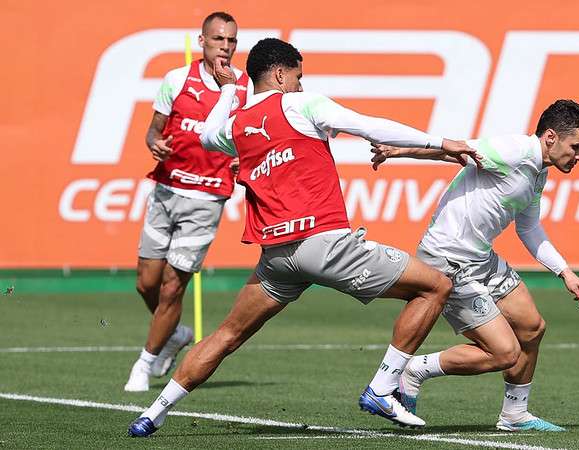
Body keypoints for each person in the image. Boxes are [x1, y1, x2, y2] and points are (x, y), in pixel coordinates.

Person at [127, 37, 480, 437]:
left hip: (277, 258)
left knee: (227, 335)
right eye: (297, 76)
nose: (300, 83)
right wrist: (441, 142)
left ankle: (153, 412)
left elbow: (207, 136)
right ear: (280, 73)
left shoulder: (237, 125)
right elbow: (367, 125)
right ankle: (383, 387)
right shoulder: (301, 103)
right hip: (324, 243)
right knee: (436, 286)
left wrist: (227, 90)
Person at [368, 99, 579, 432]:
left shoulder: (538, 172)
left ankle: (515, 416)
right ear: (549, 137)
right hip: (448, 260)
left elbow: (528, 227)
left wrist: (565, 272)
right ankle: (414, 370)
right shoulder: (515, 149)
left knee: (532, 328)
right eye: (576, 146)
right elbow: (455, 151)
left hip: (480, 259)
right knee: (505, 353)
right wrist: (396, 151)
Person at [124, 12, 252, 392]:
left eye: (231, 40)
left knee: (171, 287)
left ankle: (144, 365)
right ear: (202, 41)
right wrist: (155, 144)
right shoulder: (176, 80)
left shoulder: (245, 86)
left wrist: (241, 158)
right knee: (146, 283)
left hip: (207, 197)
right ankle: (176, 334)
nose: (225, 47)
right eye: (218, 39)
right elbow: (153, 131)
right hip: (165, 191)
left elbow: (253, 135)